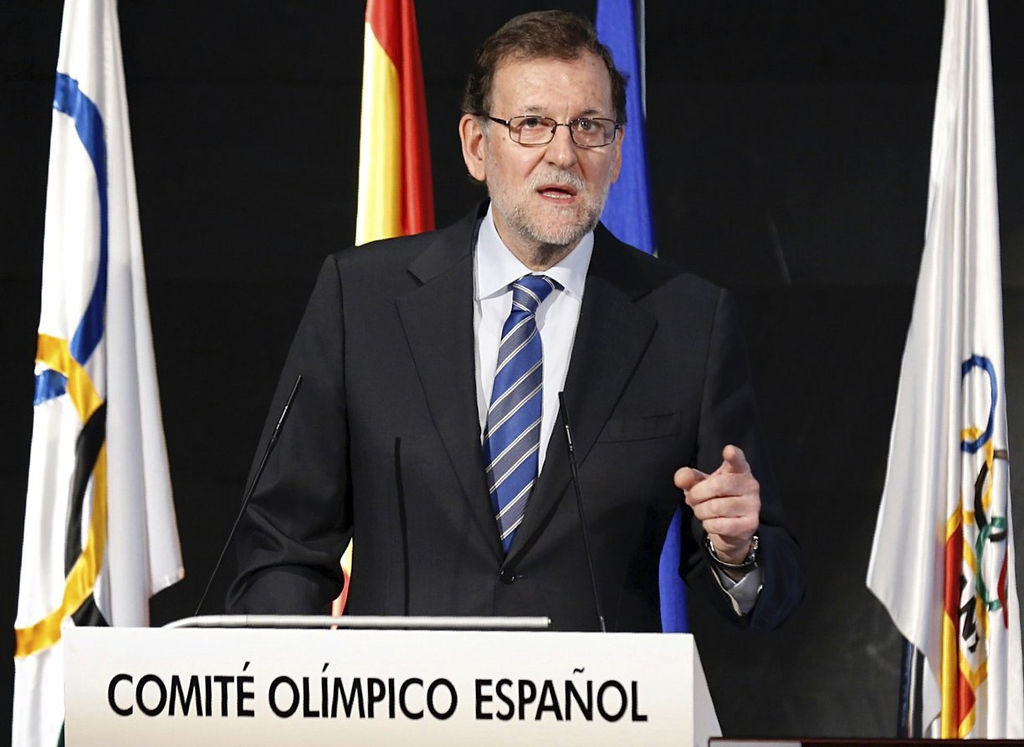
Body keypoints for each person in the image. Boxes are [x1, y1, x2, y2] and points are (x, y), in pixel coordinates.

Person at [226, 10, 803, 632]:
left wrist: (736, 550)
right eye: (532, 125)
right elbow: (281, 544)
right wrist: (288, 675)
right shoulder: (361, 299)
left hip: (592, 695)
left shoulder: (688, 322)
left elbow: (771, 583)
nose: (563, 154)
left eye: (589, 127)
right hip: (404, 694)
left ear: (616, 153)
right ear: (477, 146)